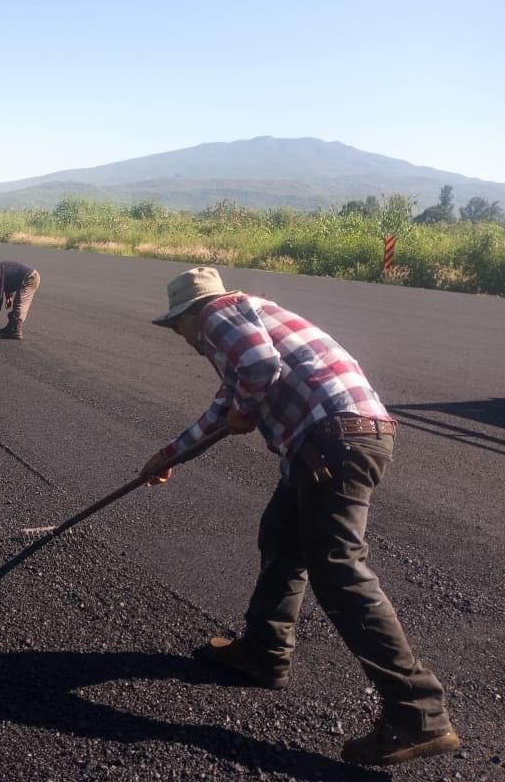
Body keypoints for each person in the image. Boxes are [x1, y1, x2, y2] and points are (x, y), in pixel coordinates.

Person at [141, 266, 459, 767]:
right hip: (345, 436)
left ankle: (418, 713)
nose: (183, 339)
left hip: (331, 439)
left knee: (338, 566)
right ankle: (263, 652)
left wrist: (245, 407)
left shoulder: (217, 314)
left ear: (187, 313)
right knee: (283, 537)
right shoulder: (251, 319)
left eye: (176, 327)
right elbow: (229, 406)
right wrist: (169, 455)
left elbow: (260, 370)